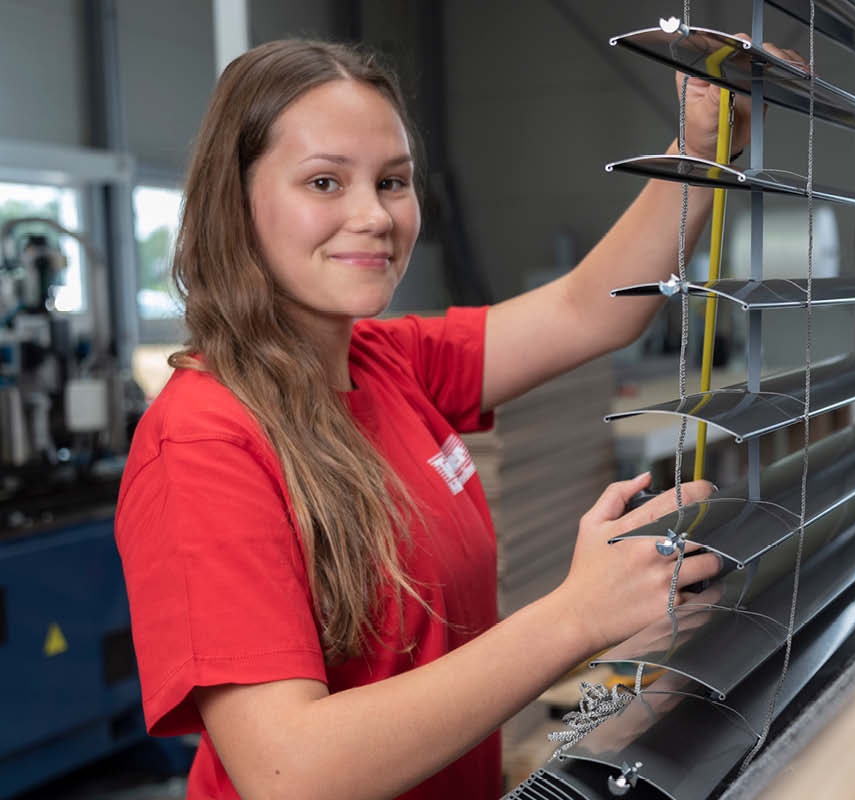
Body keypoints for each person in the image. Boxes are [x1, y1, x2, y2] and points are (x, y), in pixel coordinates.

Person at [115, 37, 761, 800]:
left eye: (392, 182)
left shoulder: (388, 361)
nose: (373, 215)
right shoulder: (204, 442)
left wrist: (696, 150)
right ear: (237, 201)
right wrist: (575, 618)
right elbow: (291, 773)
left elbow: (588, 310)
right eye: (324, 181)